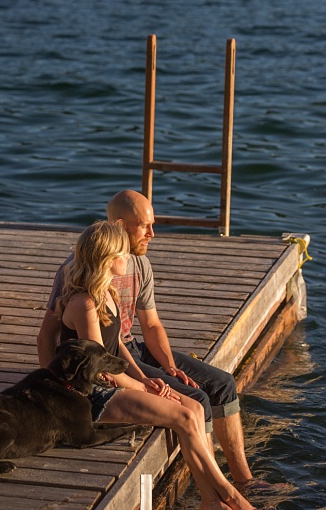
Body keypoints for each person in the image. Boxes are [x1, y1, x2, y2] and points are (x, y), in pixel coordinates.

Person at [37, 187, 255, 491]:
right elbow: (47, 335)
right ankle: (211, 485)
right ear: (121, 228)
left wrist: (169, 366)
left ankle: (244, 480)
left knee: (223, 384)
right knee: (197, 399)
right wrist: (54, 389)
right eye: (145, 226)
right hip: (110, 359)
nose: (152, 233)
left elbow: (150, 325)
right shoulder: (76, 272)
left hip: (130, 349)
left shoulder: (140, 264)